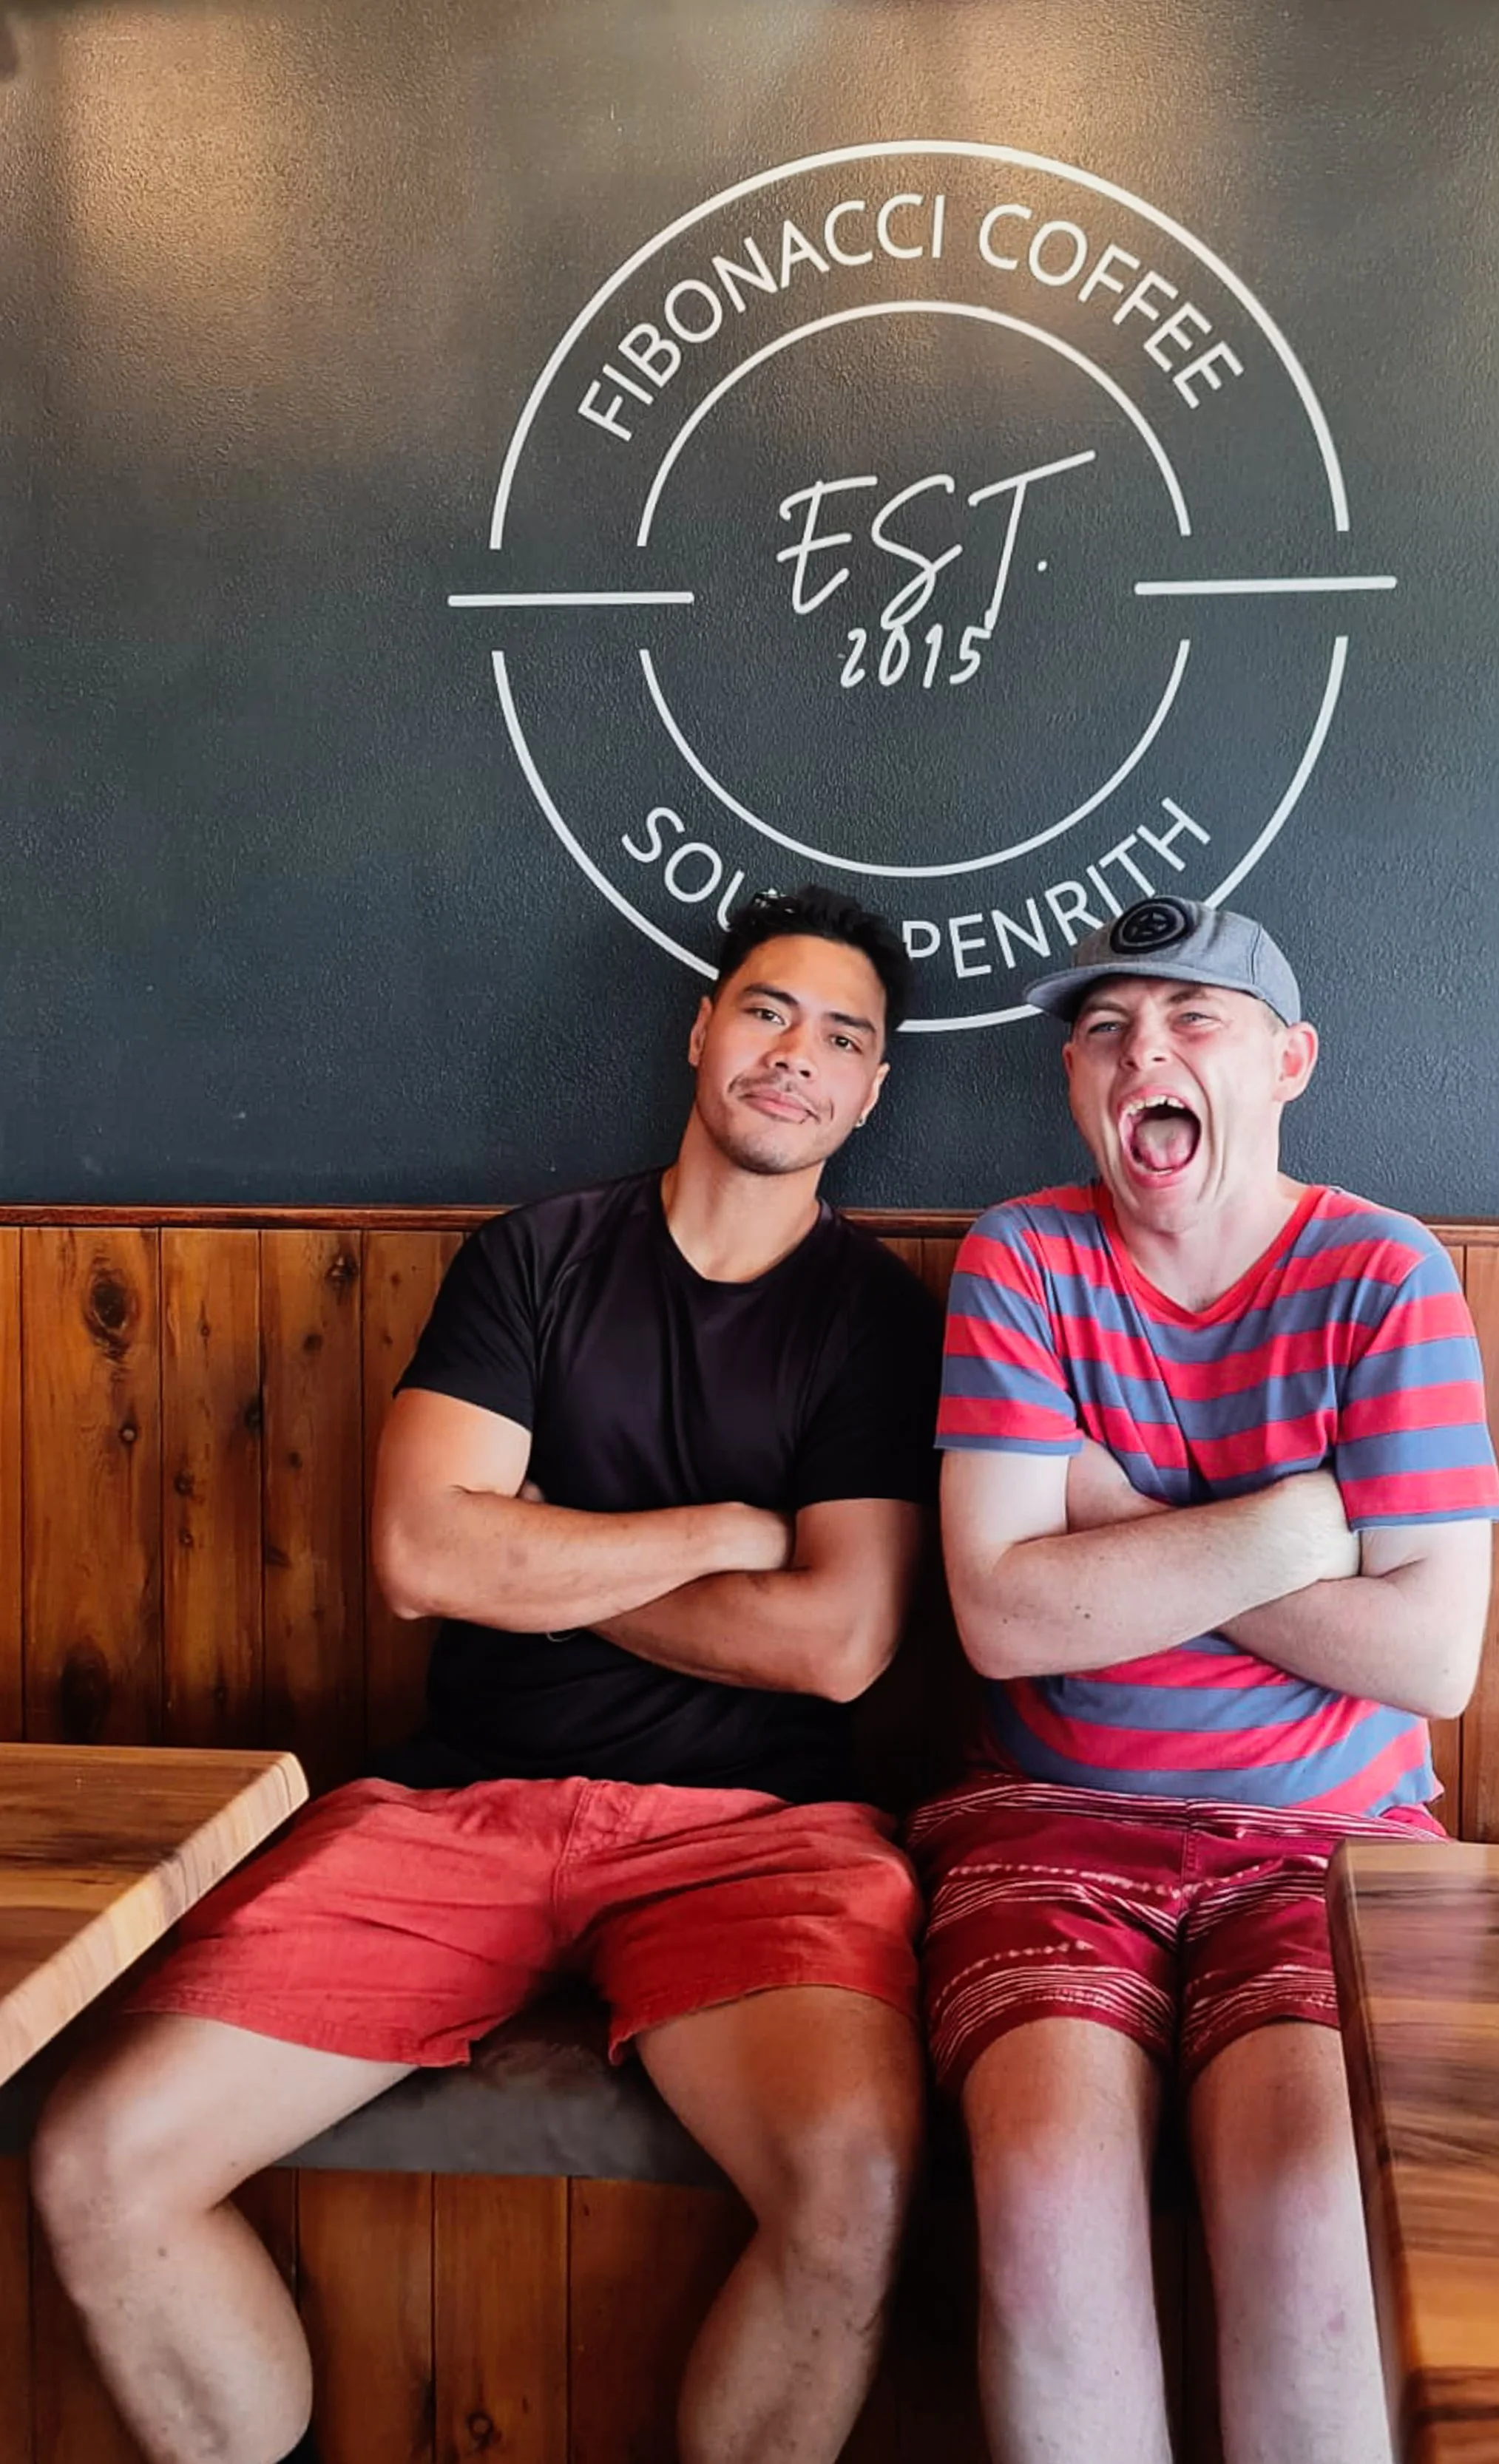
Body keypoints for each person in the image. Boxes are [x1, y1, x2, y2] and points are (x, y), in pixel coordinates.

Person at [32, 887, 944, 2464]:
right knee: (94, 2163)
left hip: (761, 1831)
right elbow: (420, 1560)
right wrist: (722, 1532)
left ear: (869, 1096)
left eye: (842, 1039)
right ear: (703, 1031)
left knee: (853, 2193)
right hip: (456, 1809)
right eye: (769, 1011)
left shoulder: (874, 1318)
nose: (797, 1054)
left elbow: (835, 1642)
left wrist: (542, 1561)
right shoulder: (536, 1258)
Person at [913, 893, 1499, 2464]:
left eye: (1192, 1020)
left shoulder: (1384, 1272)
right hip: (1047, 1822)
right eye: (1103, 1030)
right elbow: (1001, 1617)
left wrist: (1123, 1523)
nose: (1141, 1053)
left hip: (1332, 1845)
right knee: (1040, 2213)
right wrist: (1292, 1528)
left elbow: (1429, 1657)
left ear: (1285, 1063)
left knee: (1315, 2232)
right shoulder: (1020, 1257)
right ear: (1071, 1084)